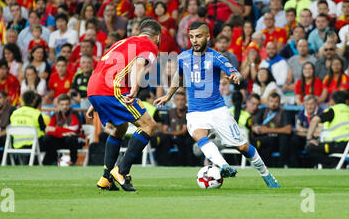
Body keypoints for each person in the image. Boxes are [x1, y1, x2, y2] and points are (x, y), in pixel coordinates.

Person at [154, 20, 280, 188]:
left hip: (217, 110)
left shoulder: (216, 57)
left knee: (242, 147)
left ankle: (266, 174)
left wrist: (236, 77)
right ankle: (224, 166)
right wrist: (169, 95)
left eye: (198, 36)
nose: (194, 40)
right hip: (195, 111)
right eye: (191, 37)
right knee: (199, 136)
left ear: (207, 36)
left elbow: (234, 72)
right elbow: (179, 76)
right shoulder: (183, 57)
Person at [86, 19, 162, 192]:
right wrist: (135, 87)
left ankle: (106, 178)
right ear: (157, 37)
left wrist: (94, 100)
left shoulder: (121, 42)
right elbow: (139, 64)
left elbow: (102, 65)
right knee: (149, 125)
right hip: (112, 88)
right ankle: (122, 170)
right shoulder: (149, 45)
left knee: (120, 128)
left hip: (96, 87)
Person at [305, 90, 349, 168]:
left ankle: (337, 165)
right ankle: (339, 164)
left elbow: (315, 120)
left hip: (339, 146)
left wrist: (309, 138)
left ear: (332, 101)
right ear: (347, 101)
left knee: (310, 148)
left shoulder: (333, 110)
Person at [251, 92, 292, 167]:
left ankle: (281, 166)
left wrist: (268, 130)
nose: (273, 104)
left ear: (279, 103)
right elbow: (255, 125)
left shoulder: (284, 112)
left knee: (283, 139)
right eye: (271, 101)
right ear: (267, 102)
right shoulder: (263, 111)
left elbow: (288, 130)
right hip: (265, 138)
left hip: (277, 140)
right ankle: (263, 168)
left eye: (276, 102)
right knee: (264, 146)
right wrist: (255, 129)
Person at [9, 91, 46, 160]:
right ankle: (48, 162)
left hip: (16, 145)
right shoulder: (37, 113)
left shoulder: (15, 113)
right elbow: (43, 130)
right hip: (34, 145)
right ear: (34, 101)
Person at [291, 95, 323, 168]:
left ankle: (309, 168)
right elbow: (298, 128)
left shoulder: (321, 112)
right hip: (306, 136)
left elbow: (319, 131)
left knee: (311, 146)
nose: (309, 107)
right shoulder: (302, 112)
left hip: (316, 138)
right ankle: (294, 167)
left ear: (316, 104)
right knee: (293, 141)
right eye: (307, 104)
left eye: (311, 104)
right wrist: (310, 131)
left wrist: (304, 130)